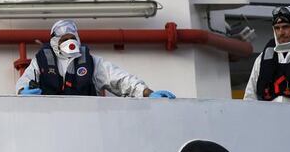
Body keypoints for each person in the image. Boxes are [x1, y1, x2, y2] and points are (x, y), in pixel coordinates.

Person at [16, 19, 176, 98]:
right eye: (64, 39)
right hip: (48, 121)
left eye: (72, 38)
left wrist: (149, 93)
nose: (69, 43)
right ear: (55, 42)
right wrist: (23, 92)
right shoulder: (41, 62)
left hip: (87, 121)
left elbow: (122, 80)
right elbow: (24, 82)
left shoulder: (92, 62)